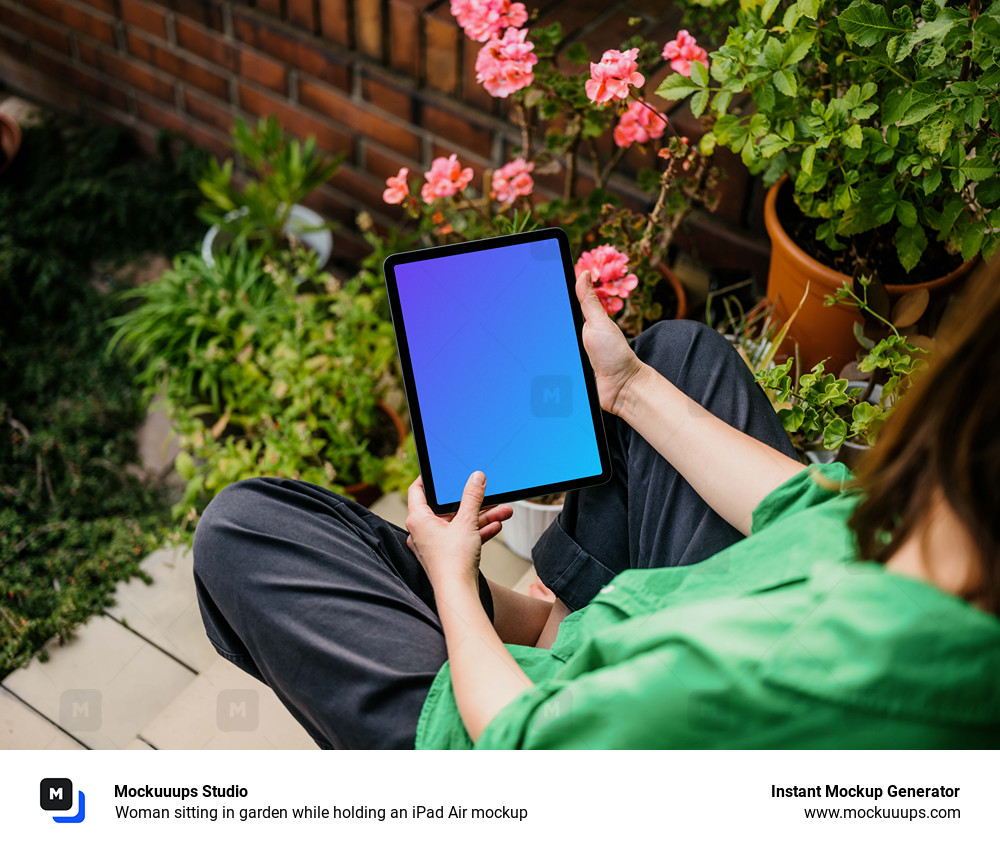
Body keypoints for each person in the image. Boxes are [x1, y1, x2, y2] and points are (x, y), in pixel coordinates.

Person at [193, 260, 1000, 749]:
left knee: (243, 529)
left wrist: (449, 580)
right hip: (636, 646)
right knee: (679, 355)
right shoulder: (936, 567)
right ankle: (544, 605)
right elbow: (807, 507)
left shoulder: (759, 673)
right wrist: (629, 388)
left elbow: (519, 739)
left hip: (510, 754)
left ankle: (493, 634)